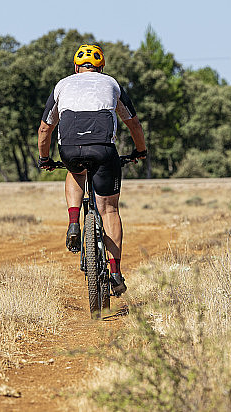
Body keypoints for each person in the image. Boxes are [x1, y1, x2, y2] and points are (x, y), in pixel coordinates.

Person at [37, 43, 147, 296]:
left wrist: (44, 158)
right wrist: (140, 151)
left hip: (70, 150)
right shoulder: (111, 84)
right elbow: (133, 124)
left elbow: (45, 129)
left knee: (75, 171)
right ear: (101, 67)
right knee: (109, 209)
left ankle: (74, 221)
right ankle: (116, 272)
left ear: (76, 67)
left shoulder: (62, 85)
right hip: (103, 150)